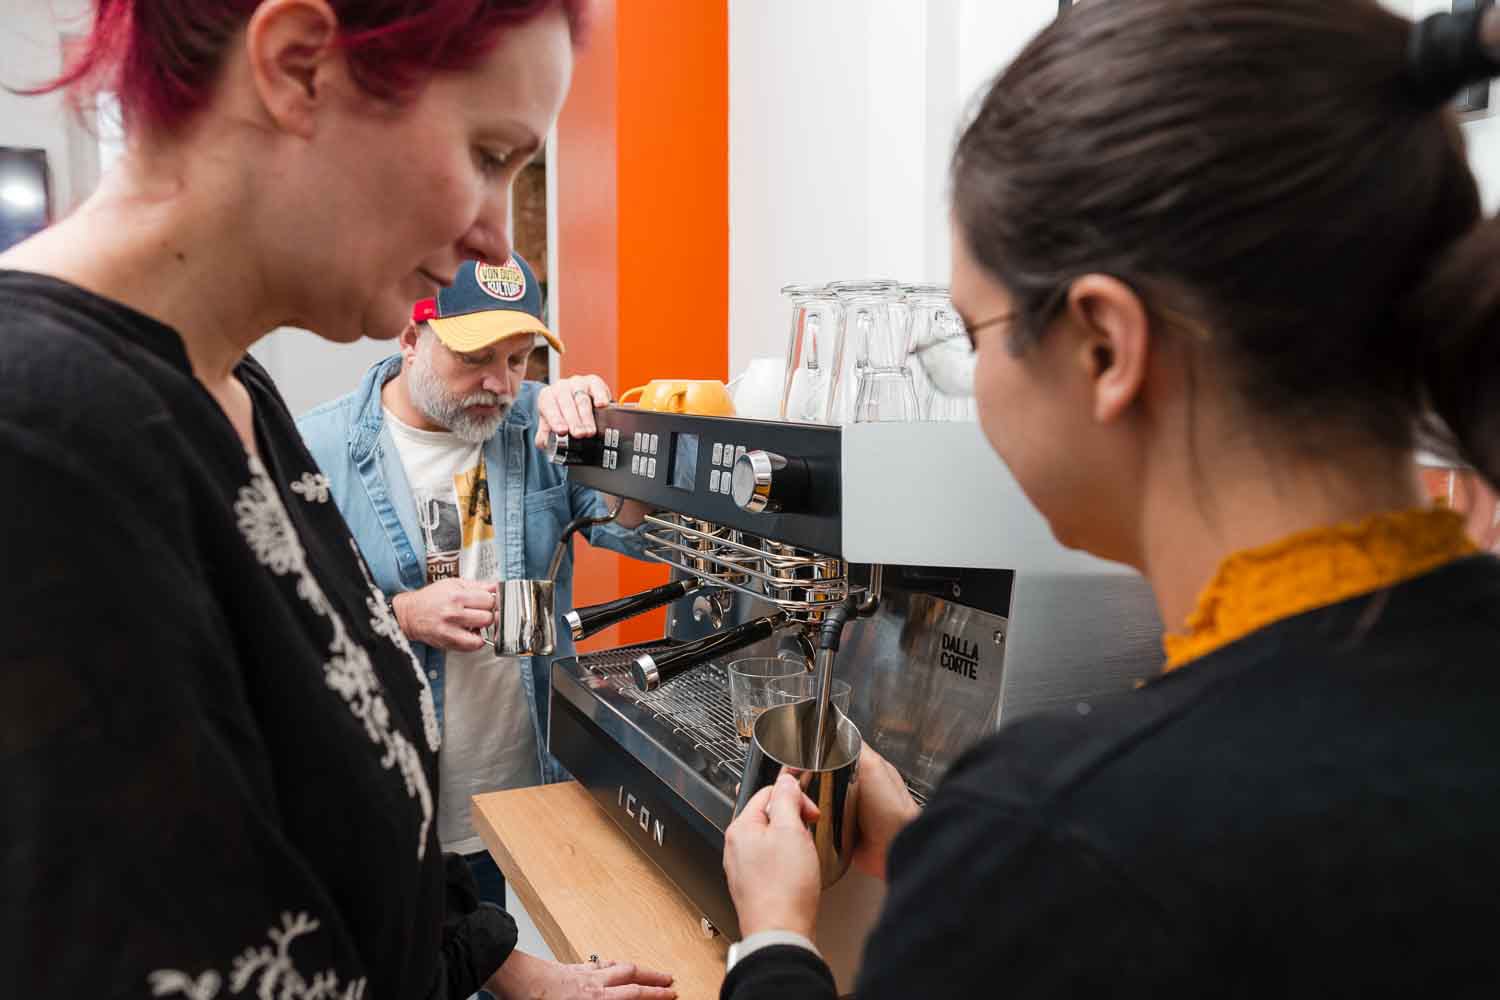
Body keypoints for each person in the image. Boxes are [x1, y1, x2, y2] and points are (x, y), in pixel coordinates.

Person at [720, 1, 1500, 996]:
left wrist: (776, 937)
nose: (977, 379)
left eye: (973, 334)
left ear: (1104, 345)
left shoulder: (1055, 836)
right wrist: (951, 863)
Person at [0, 1, 673, 997]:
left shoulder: (236, 390)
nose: (495, 229)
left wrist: (510, 971)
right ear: (300, 64)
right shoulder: (41, 436)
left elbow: (342, 829)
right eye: (489, 152)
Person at [298, 252, 651, 920]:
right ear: (410, 337)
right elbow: (282, 620)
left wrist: (616, 443)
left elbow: (632, 534)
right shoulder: (317, 450)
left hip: (530, 796)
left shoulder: (537, 437)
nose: (500, 383)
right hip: (396, 816)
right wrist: (398, 613)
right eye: (475, 356)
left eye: (518, 360)